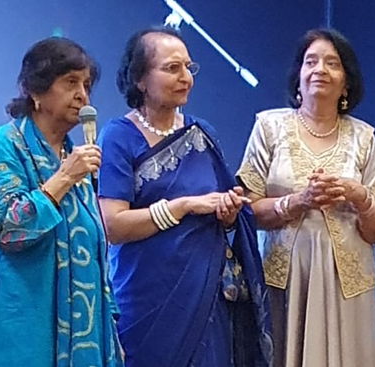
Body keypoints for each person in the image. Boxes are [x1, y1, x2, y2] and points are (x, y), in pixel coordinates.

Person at [96, 27, 272, 367]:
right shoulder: (119, 136)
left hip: (207, 297)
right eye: (172, 68)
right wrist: (183, 206)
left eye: (189, 68)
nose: (185, 77)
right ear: (140, 80)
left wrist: (228, 211)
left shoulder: (202, 132)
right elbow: (113, 225)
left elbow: (227, 216)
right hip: (149, 298)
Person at [236, 28, 375, 367]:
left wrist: (361, 198)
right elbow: (248, 211)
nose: (320, 69)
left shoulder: (364, 137)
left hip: (348, 284)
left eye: (332, 63)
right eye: (311, 61)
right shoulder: (269, 127)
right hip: (287, 280)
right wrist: (296, 201)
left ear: (346, 83)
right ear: (298, 76)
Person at [0, 37, 123, 367]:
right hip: (19, 331)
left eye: (87, 84)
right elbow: (5, 228)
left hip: (85, 333)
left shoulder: (72, 156)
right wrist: (63, 178)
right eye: (70, 82)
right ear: (36, 91)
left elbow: (93, 251)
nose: (83, 95)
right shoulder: (1, 149)